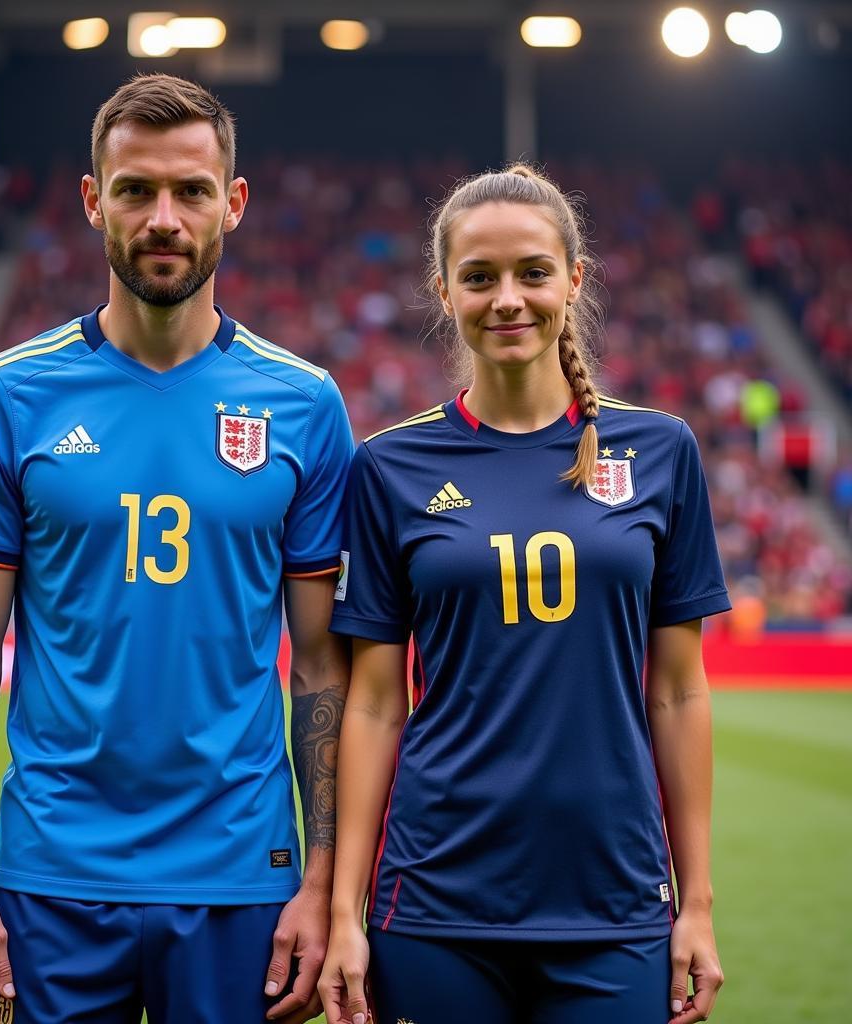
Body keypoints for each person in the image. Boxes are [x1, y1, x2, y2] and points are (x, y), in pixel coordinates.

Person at [0, 73, 353, 1024]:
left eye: (192, 191)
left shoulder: (306, 405)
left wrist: (322, 884)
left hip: (244, 876)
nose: (165, 217)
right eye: (136, 190)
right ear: (93, 201)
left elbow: (323, 668)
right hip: (52, 872)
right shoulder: (7, 394)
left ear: (232, 204)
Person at [320, 165, 729, 1024]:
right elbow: (372, 706)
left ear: (574, 281)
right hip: (435, 899)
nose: (508, 299)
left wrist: (696, 904)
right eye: (480, 277)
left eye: (532, 273)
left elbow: (679, 689)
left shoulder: (660, 451)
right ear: (445, 291)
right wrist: (344, 913)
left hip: (615, 902)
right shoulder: (389, 467)